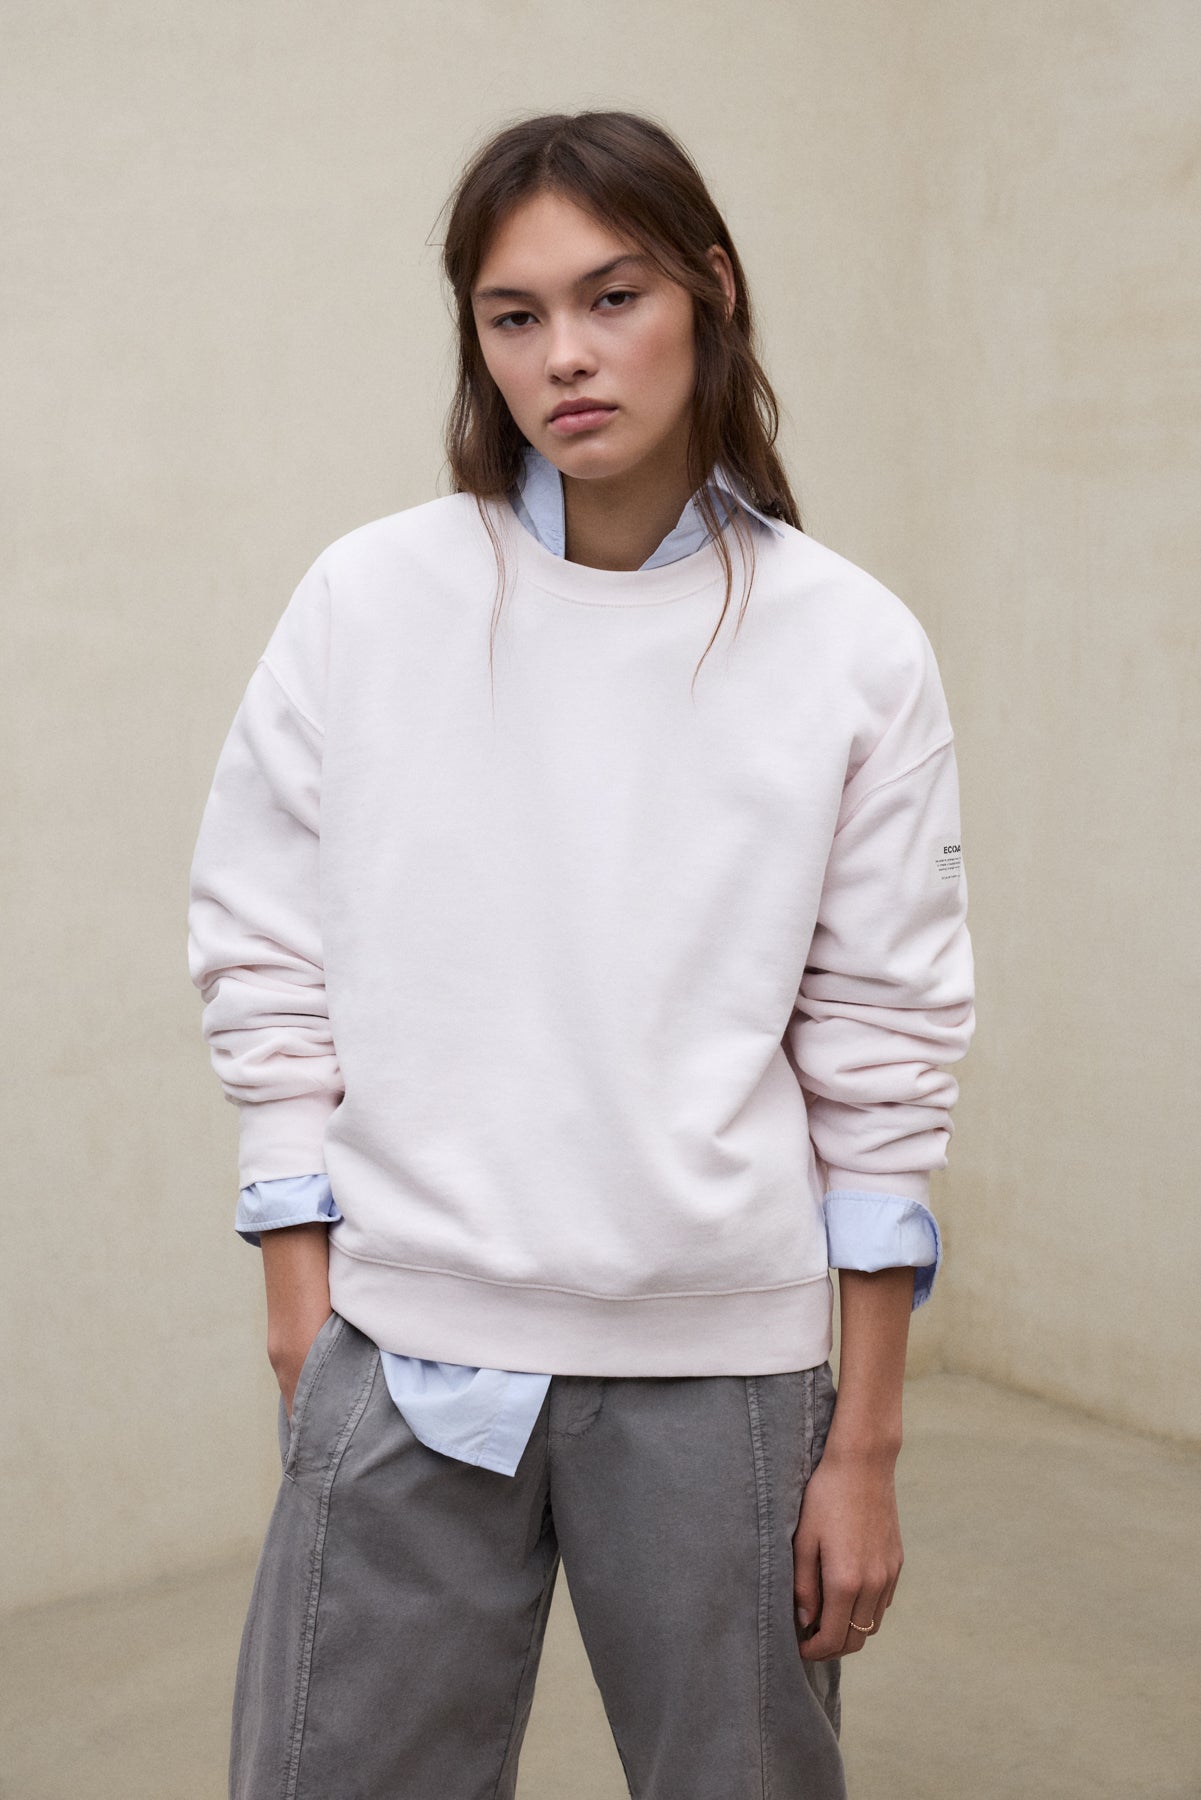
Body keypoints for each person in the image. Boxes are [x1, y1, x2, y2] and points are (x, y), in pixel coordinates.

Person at [187, 108, 975, 1800]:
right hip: (403, 1347)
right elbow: (261, 949)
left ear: (711, 292)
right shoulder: (368, 600)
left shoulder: (849, 645)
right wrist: (300, 1310)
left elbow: (883, 1050)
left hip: (725, 1375)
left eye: (612, 297)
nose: (565, 355)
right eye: (514, 314)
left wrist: (864, 1444)